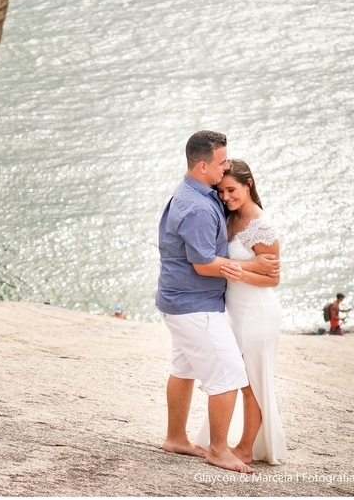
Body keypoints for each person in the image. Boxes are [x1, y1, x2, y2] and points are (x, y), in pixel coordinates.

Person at [155, 131, 280, 474]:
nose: (226, 167)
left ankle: (176, 437)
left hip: (178, 301)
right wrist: (253, 265)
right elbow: (203, 264)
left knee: (183, 368)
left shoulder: (194, 193)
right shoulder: (197, 207)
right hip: (195, 305)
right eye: (222, 161)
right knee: (228, 376)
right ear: (202, 165)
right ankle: (220, 450)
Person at [194, 159, 287, 465]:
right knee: (235, 376)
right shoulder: (228, 216)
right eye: (221, 191)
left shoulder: (262, 227)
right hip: (235, 313)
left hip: (258, 314)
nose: (225, 197)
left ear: (249, 184)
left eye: (231, 190)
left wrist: (241, 273)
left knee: (251, 385)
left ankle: (246, 448)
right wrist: (246, 267)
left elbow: (273, 278)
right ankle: (232, 443)